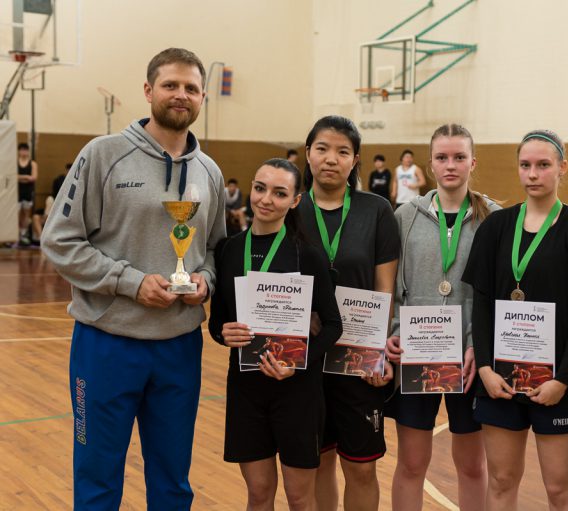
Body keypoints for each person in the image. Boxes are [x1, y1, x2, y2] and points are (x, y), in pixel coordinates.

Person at [41, 47, 227, 510]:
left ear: (203, 97)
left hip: (179, 347)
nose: (181, 95)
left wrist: (205, 281)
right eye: (170, 85)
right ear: (148, 90)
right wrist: (130, 282)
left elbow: (216, 251)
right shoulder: (103, 155)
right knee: (98, 479)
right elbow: (59, 241)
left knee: (172, 480)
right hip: (107, 343)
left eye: (191, 88)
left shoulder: (210, 172)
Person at [461, 129, 568, 510]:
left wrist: (563, 379)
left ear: (562, 167)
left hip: (559, 385)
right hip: (500, 381)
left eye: (543, 165)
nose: (533, 174)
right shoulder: (495, 227)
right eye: (525, 165)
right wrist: (486, 368)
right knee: (501, 481)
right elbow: (481, 303)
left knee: (559, 490)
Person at [208, 158, 342, 511]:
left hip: (297, 392)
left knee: (299, 498)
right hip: (246, 389)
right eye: (260, 188)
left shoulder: (307, 255)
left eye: (280, 193)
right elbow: (217, 322)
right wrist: (223, 333)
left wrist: (298, 361)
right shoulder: (229, 250)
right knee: (258, 494)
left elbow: (333, 326)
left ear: (295, 200)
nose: (266, 199)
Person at [384, 123, 499, 511]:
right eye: (442, 157)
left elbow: (495, 293)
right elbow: (392, 284)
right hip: (416, 354)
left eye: (459, 157)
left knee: (472, 465)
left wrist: (478, 344)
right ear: (430, 164)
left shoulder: (493, 218)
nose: (451, 165)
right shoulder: (404, 216)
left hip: (469, 359)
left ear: (473, 162)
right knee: (412, 463)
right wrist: (394, 331)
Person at [298, 115, 400, 511]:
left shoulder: (377, 210)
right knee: (317, 464)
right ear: (308, 153)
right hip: (306, 358)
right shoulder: (290, 208)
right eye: (322, 148)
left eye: (342, 151)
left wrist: (378, 352)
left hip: (358, 360)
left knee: (361, 468)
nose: (331, 159)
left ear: (355, 160)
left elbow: (385, 288)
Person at [30, 168, 66, 245]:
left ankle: (47, 239)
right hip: (50, 217)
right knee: (36, 217)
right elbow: (47, 215)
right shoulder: (51, 198)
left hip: (61, 218)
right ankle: (41, 239)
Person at [17, 142, 38, 246]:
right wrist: (26, 177)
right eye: (22, 150)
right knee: (16, 214)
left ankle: (23, 234)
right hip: (17, 192)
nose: (24, 152)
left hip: (28, 192)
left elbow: (33, 178)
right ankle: (16, 234)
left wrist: (20, 177)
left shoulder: (32, 164)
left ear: (28, 151)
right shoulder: (15, 162)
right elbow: (13, 177)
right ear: (19, 151)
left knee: (26, 213)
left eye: (25, 150)